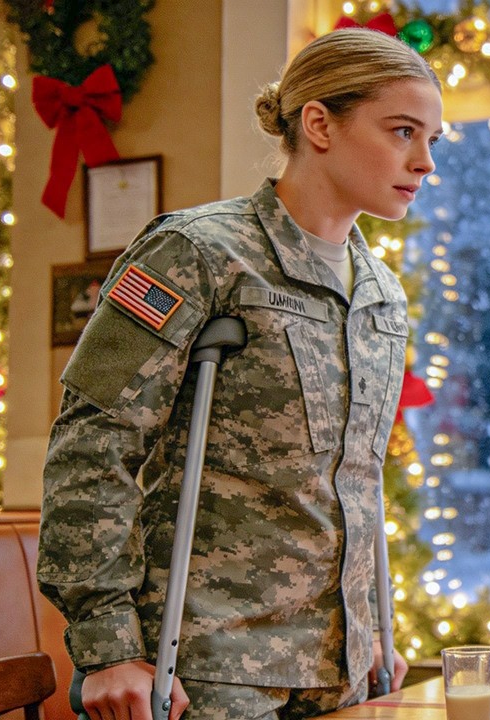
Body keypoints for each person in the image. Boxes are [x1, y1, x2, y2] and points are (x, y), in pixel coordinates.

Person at [36, 28, 442, 720]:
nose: (425, 162)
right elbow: (92, 441)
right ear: (319, 123)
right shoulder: (193, 252)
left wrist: (368, 627)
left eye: (434, 140)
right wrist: (107, 648)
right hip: (209, 671)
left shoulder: (380, 292)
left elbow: (356, 482)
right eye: (404, 131)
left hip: (341, 673)